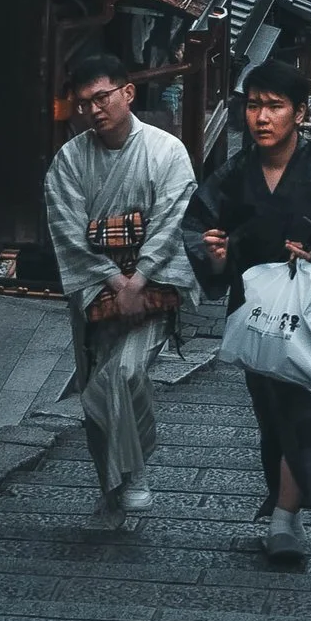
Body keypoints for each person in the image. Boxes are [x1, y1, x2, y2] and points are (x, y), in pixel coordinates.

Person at [186, 54, 311, 563]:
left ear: (300, 111)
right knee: (273, 415)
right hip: (261, 318)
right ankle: (281, 509)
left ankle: (284, 519)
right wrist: (216, 253)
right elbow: (198, 228)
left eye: (275, 106)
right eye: (253, 106)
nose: (262, 118)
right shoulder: (233, 175)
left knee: (308, 411)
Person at [43, 49, 196, 526]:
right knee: (96, 392)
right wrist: (112, 279)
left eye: (102, 97)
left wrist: (140, 276)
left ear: (128, 93)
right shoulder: (70, 159)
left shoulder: (166, 151)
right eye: (84, 103)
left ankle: (134, 475)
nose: (93, 110)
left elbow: (172, 219)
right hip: (95, 290)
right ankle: (110, 493)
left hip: (153, 285)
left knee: (123, 376)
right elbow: (67, 228)